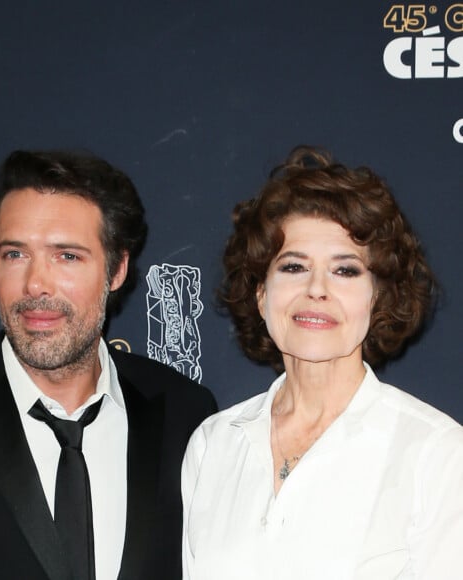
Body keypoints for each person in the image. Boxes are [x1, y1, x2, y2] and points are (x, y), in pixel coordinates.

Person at [0, 150, 217, 580]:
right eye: (15, 255)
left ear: (116, 270)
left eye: (67, 256)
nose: (35, 283)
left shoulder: (186, 415)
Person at [182, 146, 463, 579]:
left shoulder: (435, 452)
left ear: (378, 297)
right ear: (261, 294)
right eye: (293, 266)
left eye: (345, 271)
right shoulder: (214, 444)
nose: (317, 289)